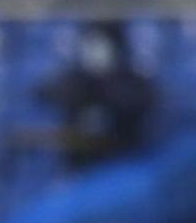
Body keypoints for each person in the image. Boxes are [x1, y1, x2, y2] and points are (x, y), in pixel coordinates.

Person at [37, 21, 156, 170]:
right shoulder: (73, 81)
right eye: (91, 45)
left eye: (103, 46)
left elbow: (144, 99)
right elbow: (43, 94)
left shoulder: (133, 83)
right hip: (79, 168)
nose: (96, 53)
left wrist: (107, 89)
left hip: (122, 165)